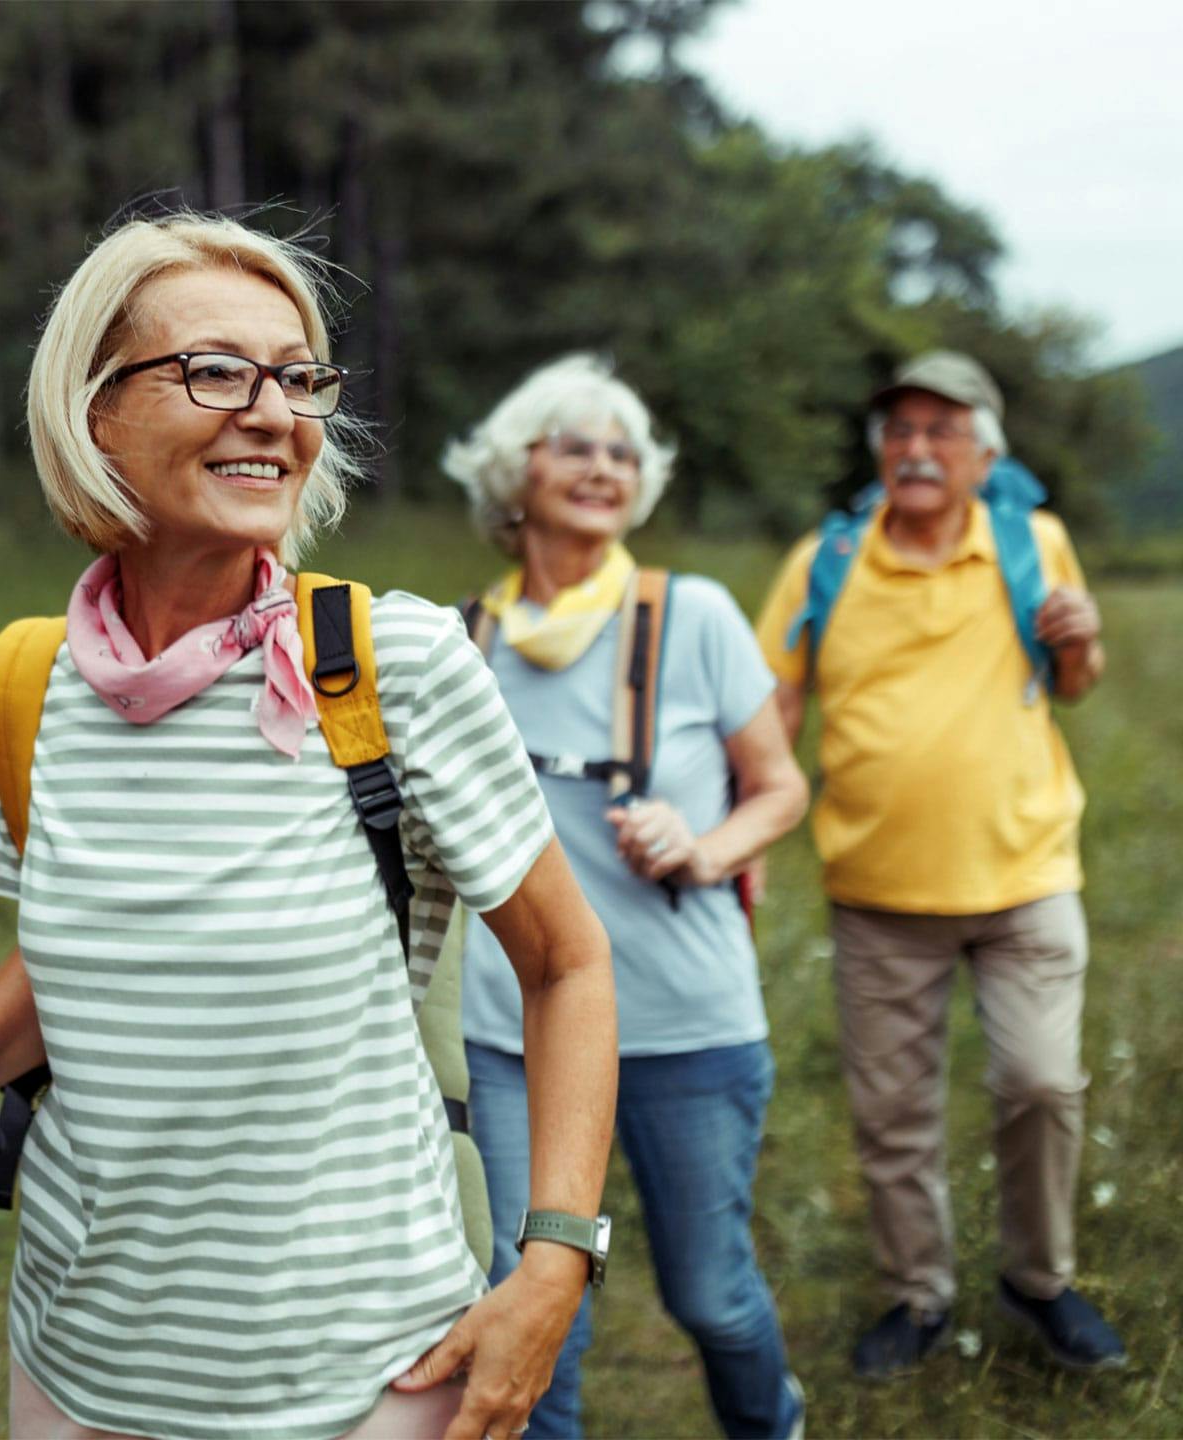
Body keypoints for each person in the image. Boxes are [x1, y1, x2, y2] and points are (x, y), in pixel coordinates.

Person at [0, 212, 619, 1440]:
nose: (272, 412)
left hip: (364, 1379)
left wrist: (557, 1262)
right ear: (96, 412)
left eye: (299, 377)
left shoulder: (396, 666)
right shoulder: (27, 684)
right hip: (78, 1363)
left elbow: (568, 963)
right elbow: (80, 955)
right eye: (215, 370)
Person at [444, 354, 810, 1440]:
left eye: (622, 452)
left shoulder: (692, 615)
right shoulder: (462, 643)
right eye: (575, 445)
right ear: (516, 474)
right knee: (533, 1310)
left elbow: (782, 788)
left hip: (685, 1025)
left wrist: (703, 847)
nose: (604, 468)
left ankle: (770, 1425)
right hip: (514, 1036)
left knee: (711, 1293)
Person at [754, 350, 1125, 1380]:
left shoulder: (1033, 539)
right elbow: (773, 710)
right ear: (882, 452)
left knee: (1043, 1085)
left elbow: (1076, 679)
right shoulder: (825, 560)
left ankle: (1038, 1280)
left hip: (1028, 876)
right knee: (893, 1116)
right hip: (877, 894)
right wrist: (742, 836)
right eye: (901, 431)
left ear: (986, 452)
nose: (918, 449)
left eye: (943, 431)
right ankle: (919, 1295)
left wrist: (1084, 640)